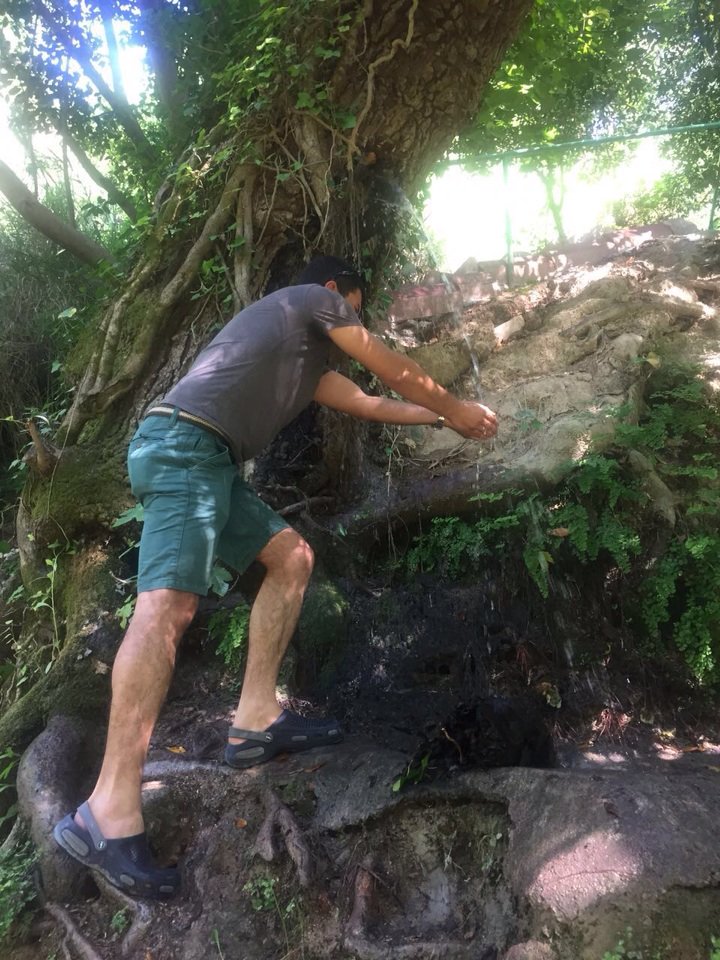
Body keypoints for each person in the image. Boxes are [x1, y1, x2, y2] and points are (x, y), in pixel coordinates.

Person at [53, 255, 498, 898]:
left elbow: (371, 402)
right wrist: (455, 406)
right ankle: (107, 810)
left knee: (291, 558)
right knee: (167, 607)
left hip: (208, 461)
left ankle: (255, 722)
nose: (358, 315)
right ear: (334, 292)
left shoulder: (306, 366)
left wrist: (443, 419)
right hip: (184, 448)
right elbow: (389, 367)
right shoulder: (308, 299)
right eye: (356, 303)